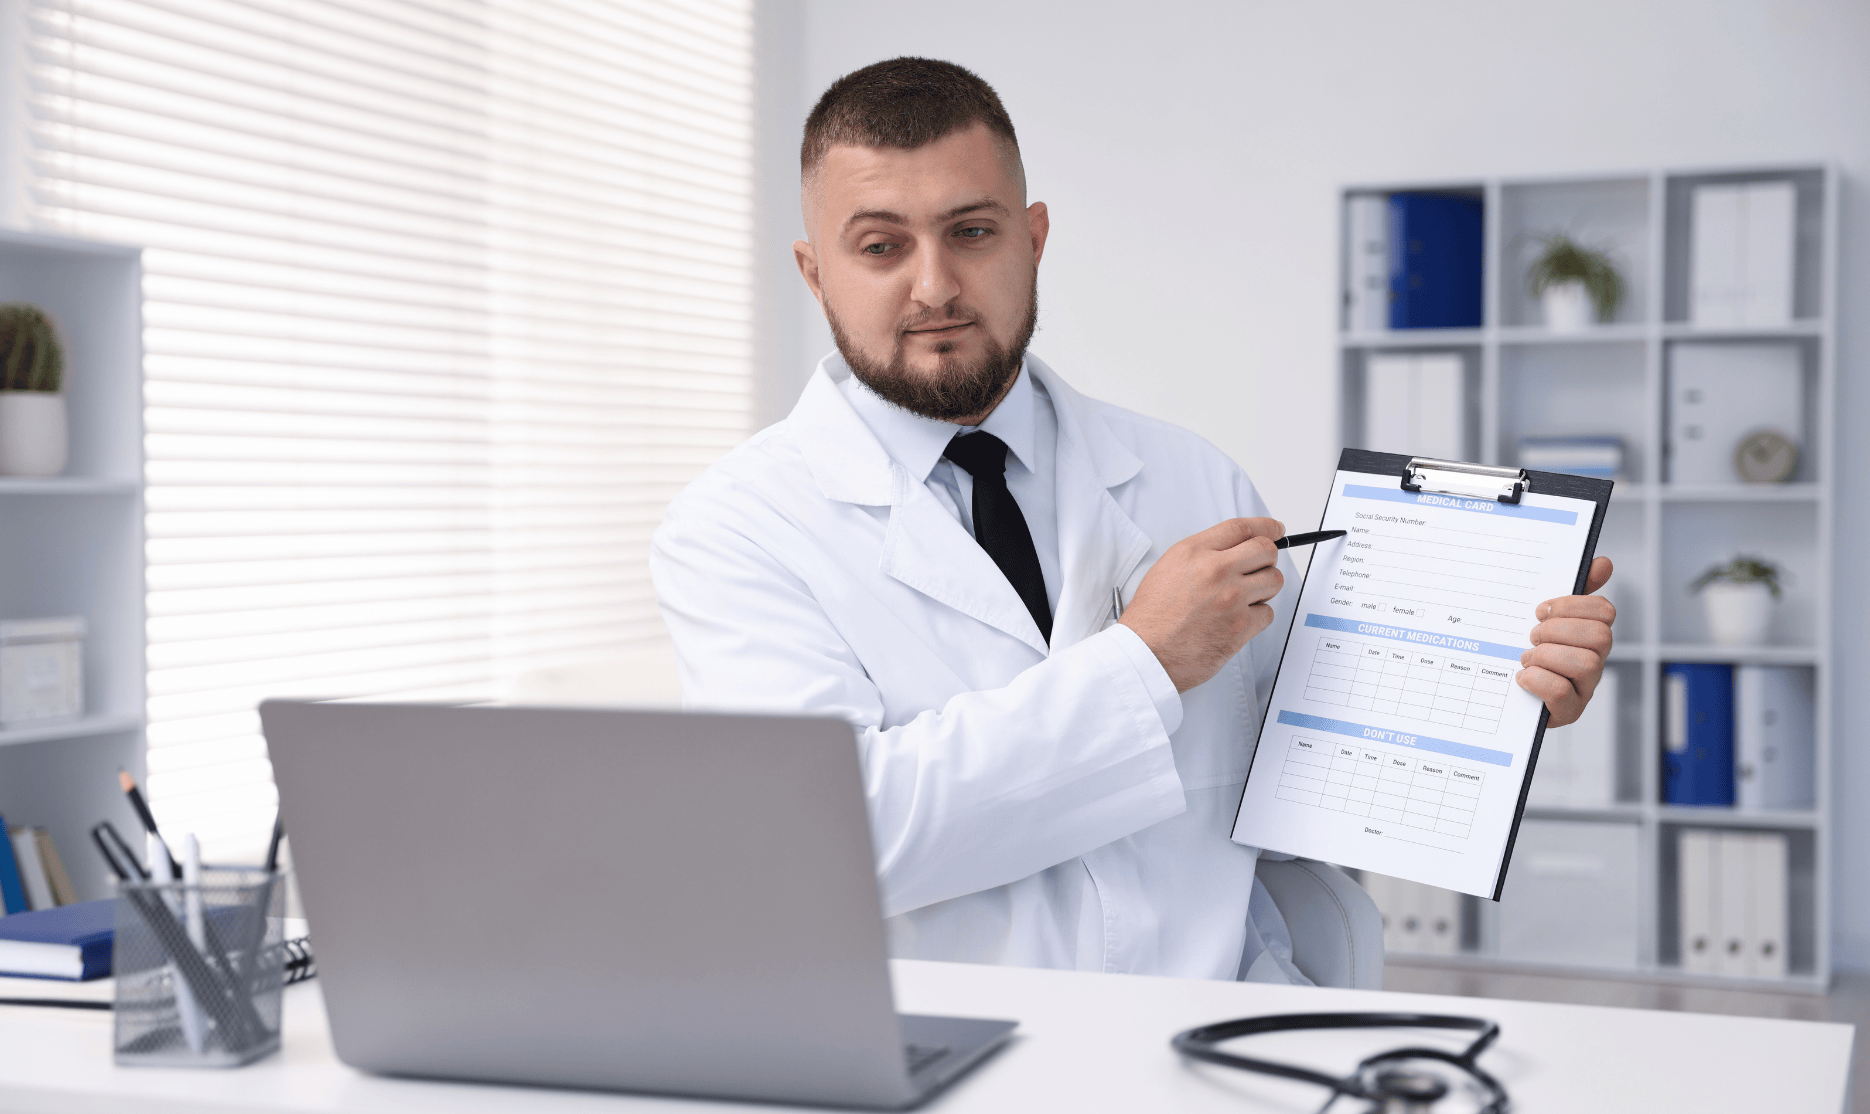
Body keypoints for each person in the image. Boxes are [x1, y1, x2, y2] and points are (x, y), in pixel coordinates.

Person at [651, 57, 1615, 983]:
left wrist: (1504, 689)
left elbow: (1292, 781)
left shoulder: (1192, 476)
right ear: (815, 273)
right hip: (957, 1058)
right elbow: (831, 846)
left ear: (1032, 238)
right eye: (880, 246)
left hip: (1220, 1027)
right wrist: (1147, 661)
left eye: (973, 232)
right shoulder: (736, 530)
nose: (935, 284)